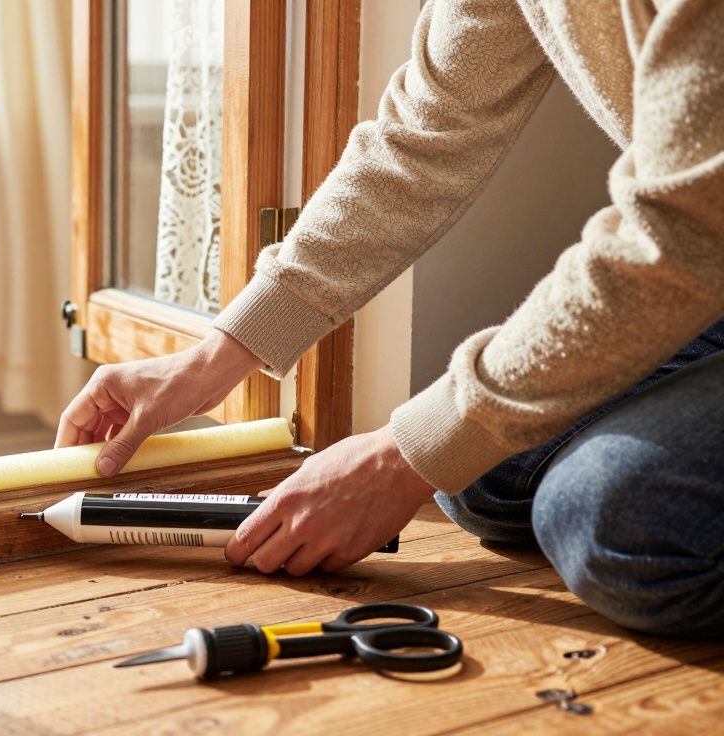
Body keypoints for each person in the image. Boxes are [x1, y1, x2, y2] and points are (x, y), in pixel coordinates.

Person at [56, 0, 723, 638]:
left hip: (697, 250)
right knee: (480, 479)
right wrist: (219, 353)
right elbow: (423, 139)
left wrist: (398, 462)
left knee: (610, 522)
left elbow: (682, 228)